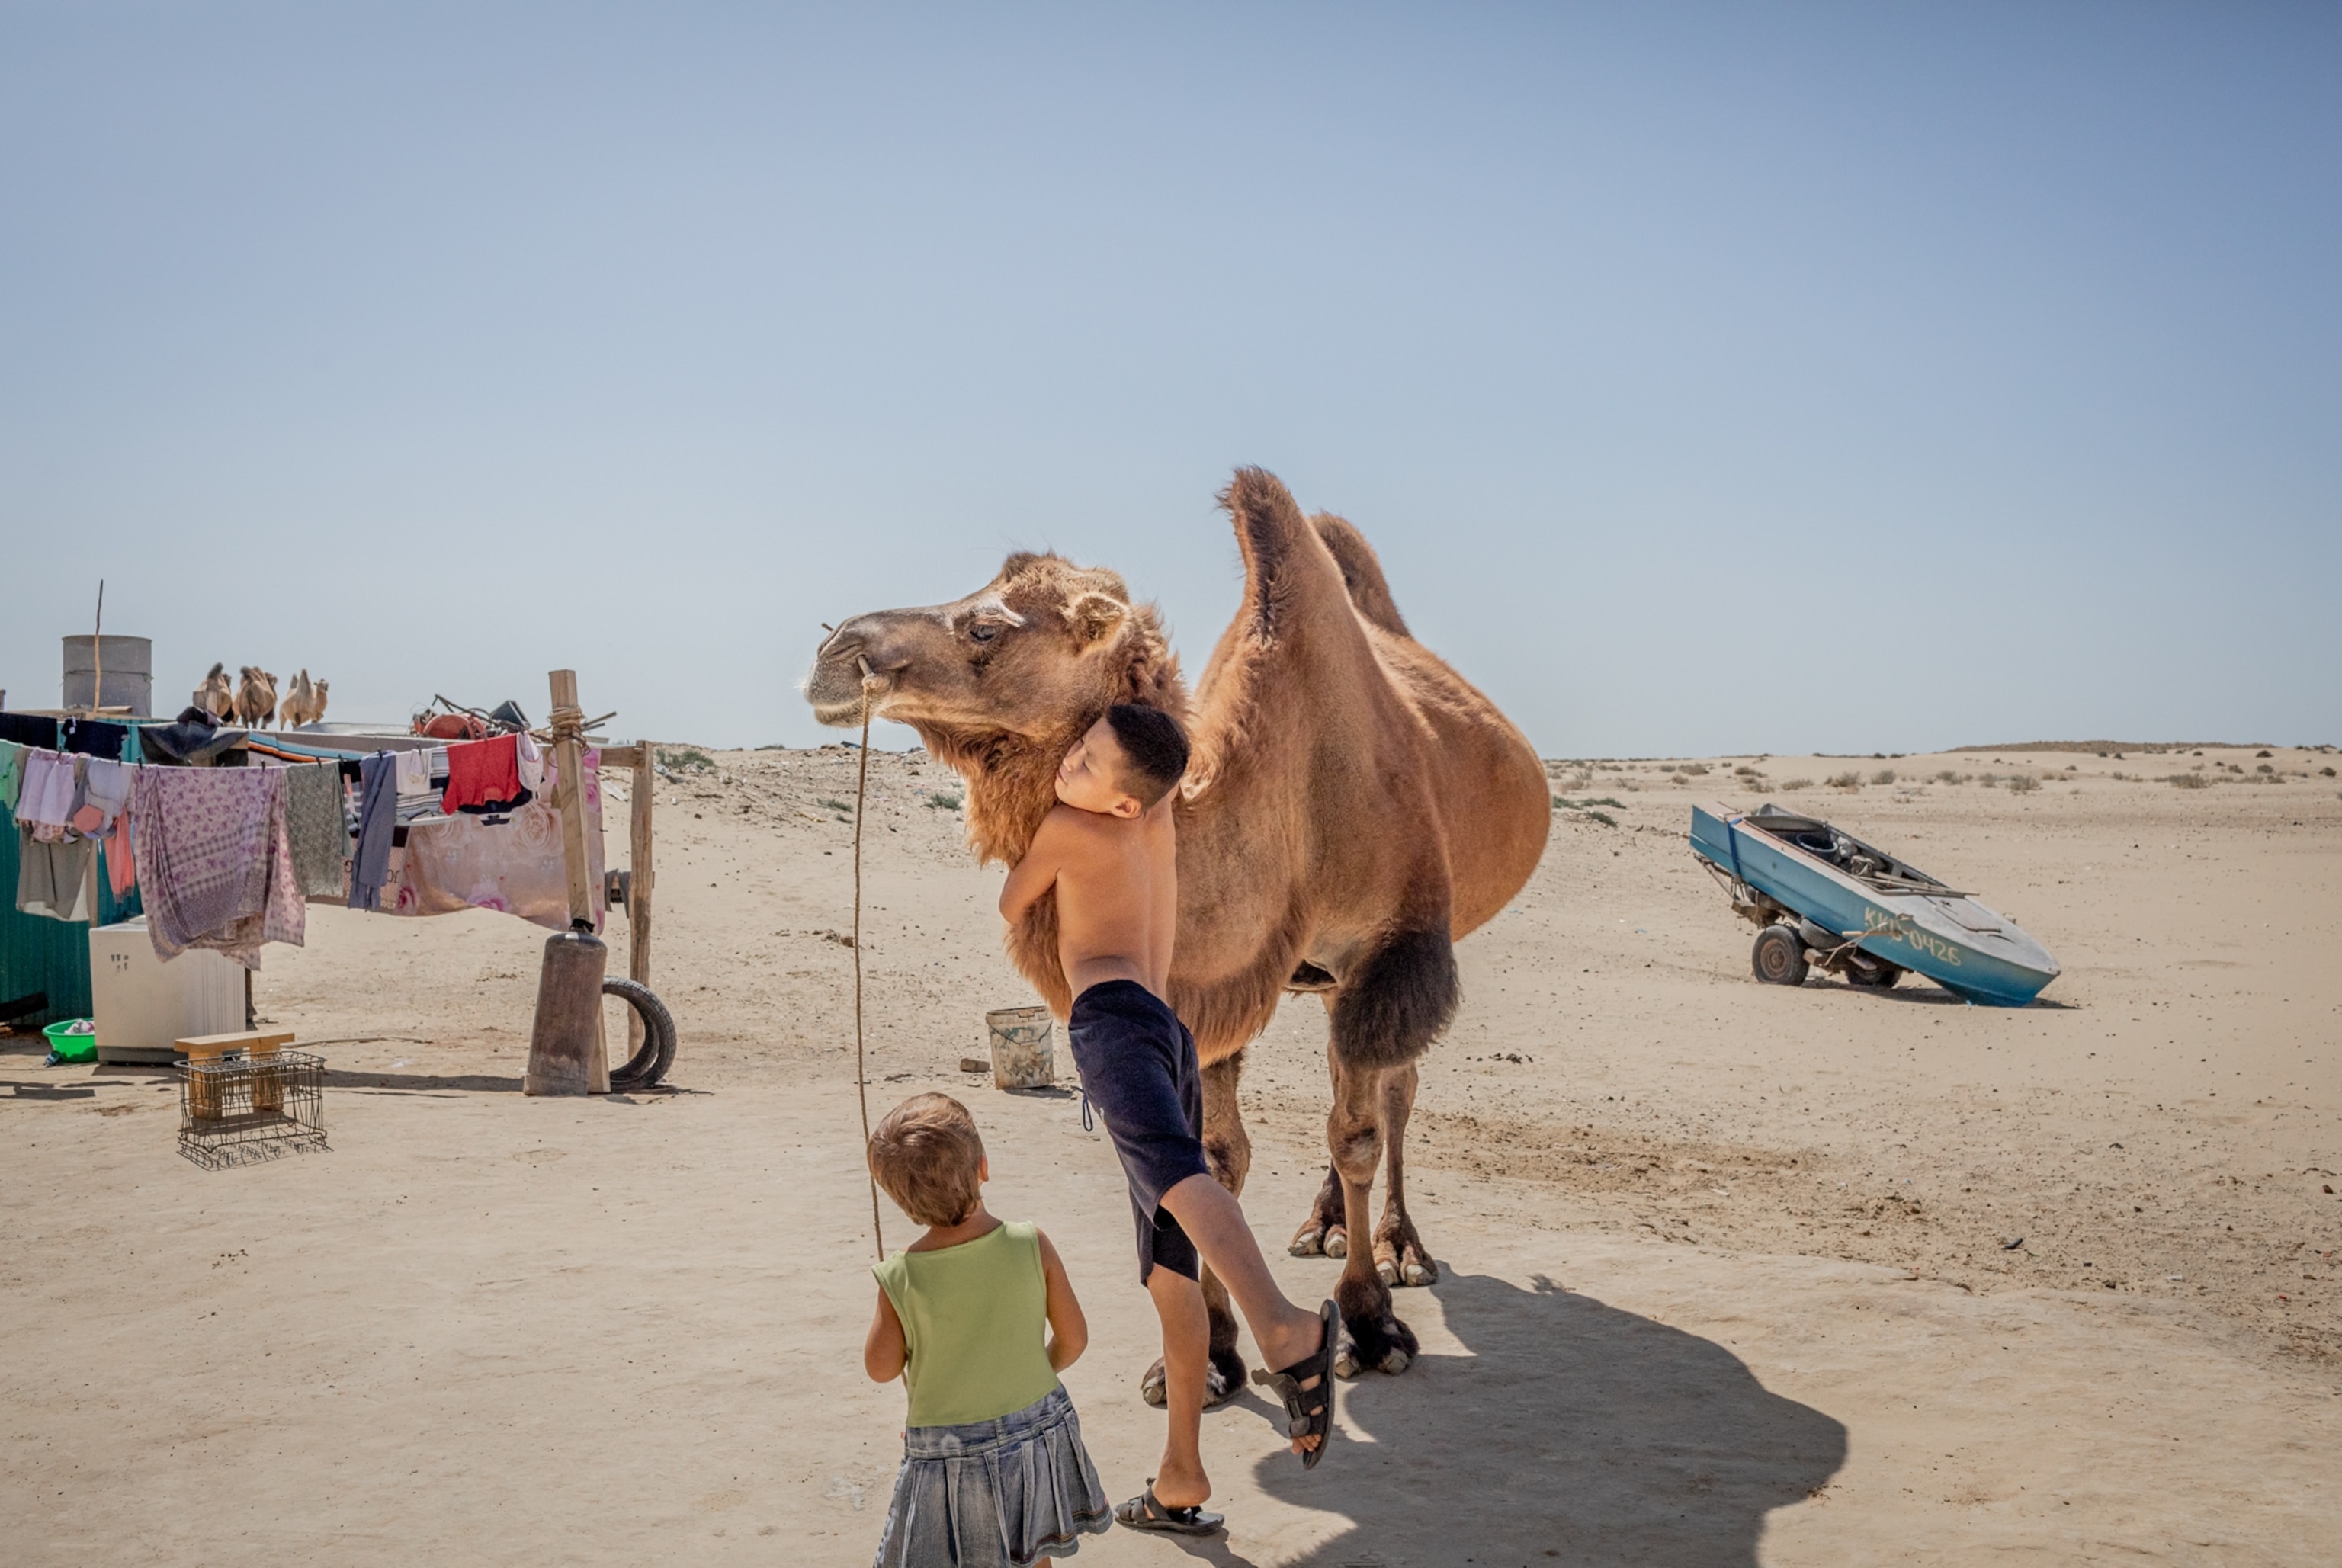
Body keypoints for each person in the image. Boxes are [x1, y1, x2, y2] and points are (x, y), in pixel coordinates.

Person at [999, 704, 1337, 1538]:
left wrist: (1039, 818)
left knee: (1183, 1180)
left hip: (1112, 1024)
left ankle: (1284, 1327)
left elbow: (1014, 906)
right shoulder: (1154, 818)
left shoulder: (1071, 829)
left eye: (1085, 764)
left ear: (1122, 799)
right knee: (1170, 1275)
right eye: (1074, 748)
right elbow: (1151, 756)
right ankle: (1180, 1476)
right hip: (1170, 1030)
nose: (1067, 766)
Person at [864, 1093, 1112, 1566]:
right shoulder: (1030, 1243)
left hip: (950, 1450)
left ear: (902, 1202)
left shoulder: (901, 1276)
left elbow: (880, 1368)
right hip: (1039, 1427)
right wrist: (1037, 1368)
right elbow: (1074, 1338)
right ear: (983, 1167)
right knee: (1034, 1548)